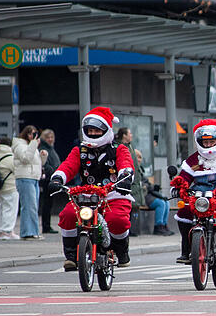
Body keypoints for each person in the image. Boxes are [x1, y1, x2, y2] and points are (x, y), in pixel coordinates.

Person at [48, 107, 134, 270]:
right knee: (67, 215)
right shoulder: (79, 150)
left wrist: (125, 179)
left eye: (97, 130)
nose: (93, 133)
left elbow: (126, 165)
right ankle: (72, 256)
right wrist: (58, 178)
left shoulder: (119, 149)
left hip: (113, 194)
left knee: (117, 219)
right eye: (90, 130)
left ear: (106, 130)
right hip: (85, 195)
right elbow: (68, 166)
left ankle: (121, 251)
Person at [171, 119, 216, 266]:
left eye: (211, 142)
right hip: (199, 197)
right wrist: (178, 186)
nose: (208, 145)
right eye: (205, 142)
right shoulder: (193, 159)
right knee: (184, 212)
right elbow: (184, 177)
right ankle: (186, 250)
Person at [13, 125, 47, 240]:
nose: (33, 136)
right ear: (26, 134)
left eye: (35, 133)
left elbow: (35, 163)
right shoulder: (19, 145)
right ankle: (28, 232)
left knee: (34, 206)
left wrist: (43, 157)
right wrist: (33, 144)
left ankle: (33, 231)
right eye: (31, 133)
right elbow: (25, 158)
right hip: (24, 177)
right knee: (29, 206)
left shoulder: (31, 146)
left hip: (34, 177)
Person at [133, 149, 172, 236]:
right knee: (160, 203)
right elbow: (142, 184)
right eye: (137, 157)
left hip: (147, 193)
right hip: (142, 195)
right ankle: (158, 226)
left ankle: (164, 225)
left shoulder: (140, 169)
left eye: (140, 158)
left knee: (166, 202)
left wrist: (150, 186)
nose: (139, 160)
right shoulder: (133, 170)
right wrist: (149, 186)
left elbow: (146, 184)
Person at [0, 138, 20, 240]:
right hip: (9, 186)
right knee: (10, 209)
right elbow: (16, 169)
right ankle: (7, 231)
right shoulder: (9, 157)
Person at [38, 129, 61, 234]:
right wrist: (53, 173)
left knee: (49, 203)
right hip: (48, 179)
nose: (50, 139)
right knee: (46, 203)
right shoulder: (44, 149)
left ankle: (47, 225)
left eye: (52, 137)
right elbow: (45, 165)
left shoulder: (50, 148)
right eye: (48, 138)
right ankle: (46, 226)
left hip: (51, 178)